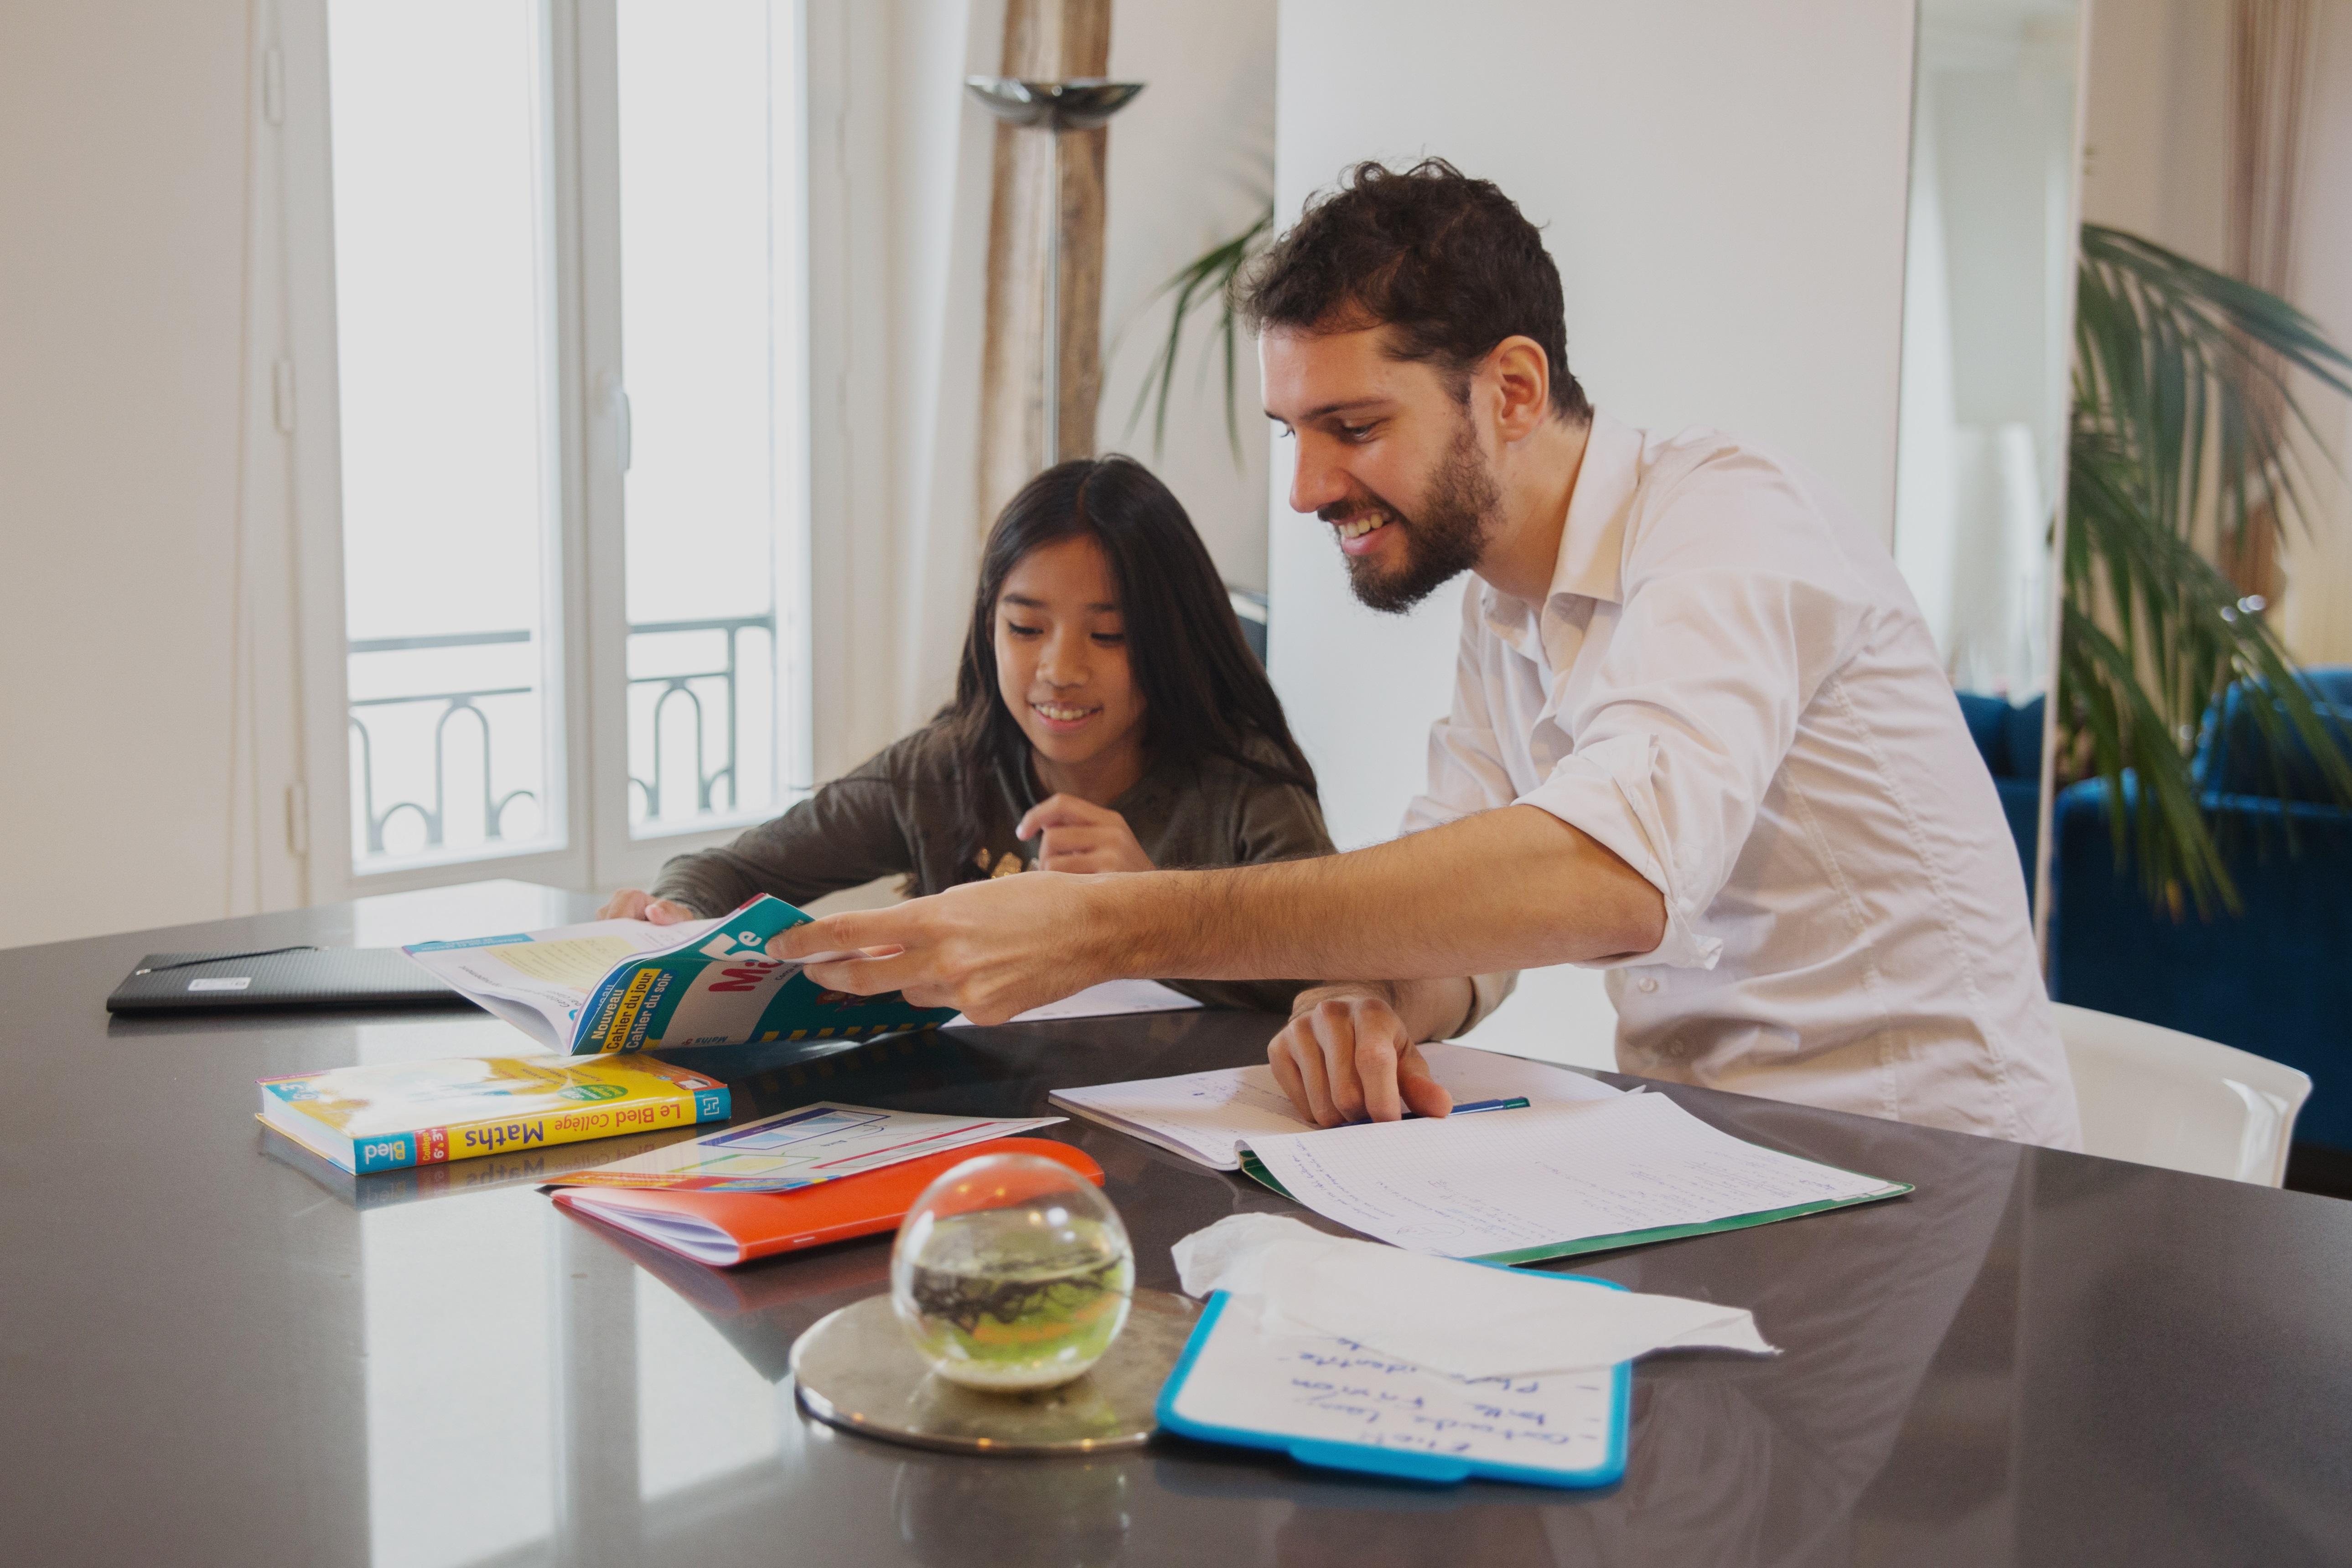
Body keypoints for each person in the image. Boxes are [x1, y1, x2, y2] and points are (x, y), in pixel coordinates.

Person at [765, 159, 2082, 1151]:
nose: (1306, 489)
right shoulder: (1504, 610)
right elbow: (1459, 918)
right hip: (1706, 1150)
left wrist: (1113, 923)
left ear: (1509, 390)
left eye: (1349, 425)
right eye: (1292, 432)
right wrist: (1373, 999)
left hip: (1936, 1168)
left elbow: (1603, 874)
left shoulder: (1728, 527)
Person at [597, 455, 1333, 1014]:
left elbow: (1338, 983)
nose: (1058, 669)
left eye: (1108, 635)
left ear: (1172, 641)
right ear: (989, 627)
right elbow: (720, 871)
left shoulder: (1245, 791)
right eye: (1024, 627)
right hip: (977, 1151)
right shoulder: (944, 772)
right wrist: (675, 921)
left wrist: (1147, 912)